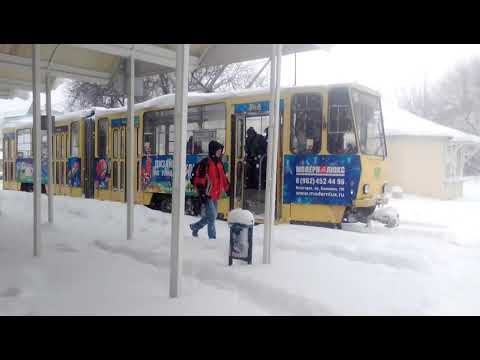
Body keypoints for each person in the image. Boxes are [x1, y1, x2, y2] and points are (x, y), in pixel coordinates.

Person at [189, 140, 230, 239]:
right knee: (212, 216)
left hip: (215, 194)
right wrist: (202, 193)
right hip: (207, 194)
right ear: (213, 151)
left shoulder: (219, 163)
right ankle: (212, 239)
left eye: (221, 151)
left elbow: (223, 178)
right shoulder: (206, 163)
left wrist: (228, 189)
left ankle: (195, 227)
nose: (220, 153)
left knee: (212, 216)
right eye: (218, 151)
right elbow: (200, 179)